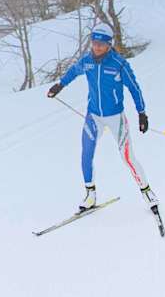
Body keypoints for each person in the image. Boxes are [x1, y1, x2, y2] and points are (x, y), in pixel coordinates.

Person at [47, 23, 157, 213]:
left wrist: (142, 113)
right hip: (94, 116)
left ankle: (147, 192)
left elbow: (134, 88)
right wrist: (60, 85)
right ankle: (90, 195)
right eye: (94, 42)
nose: (97, 47)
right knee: (86, 154)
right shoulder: (87, 60)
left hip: (116, 117)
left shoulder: (119, 63)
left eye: (101, 44)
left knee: (128, 157)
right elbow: (74, 71)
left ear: (109, 44)